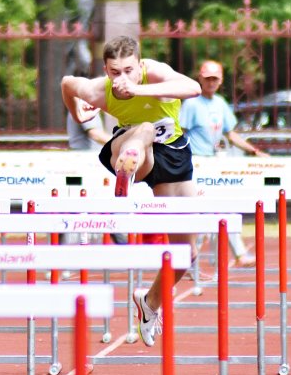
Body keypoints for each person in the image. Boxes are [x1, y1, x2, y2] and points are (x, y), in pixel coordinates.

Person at [61, 35, 201, 347]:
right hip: (128, 148)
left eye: (128, 70)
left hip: (174, 156)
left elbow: (194, 88)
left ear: (140, 65)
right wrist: (77, 114)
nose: (121, 79)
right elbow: (68, 83)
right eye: (114, 72)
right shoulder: (100, 89)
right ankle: (127, 174)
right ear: (105, 70)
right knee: (145, 130)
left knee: (186, 254)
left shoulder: (157, 73)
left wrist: (139, 90)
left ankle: (149, 302)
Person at [179, 59, 269, 268]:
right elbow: (180, 133)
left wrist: (254, 151)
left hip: (215, 163)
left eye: (215, 79)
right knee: (203, 211)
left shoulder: (220, 103)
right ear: (200, 78)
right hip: (196, 164)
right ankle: (189, 256)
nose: (211, 83)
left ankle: (195, 257)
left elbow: (231, 133)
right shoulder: (191, 104)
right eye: (207, 78)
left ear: (220, 81)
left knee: (218, 209)